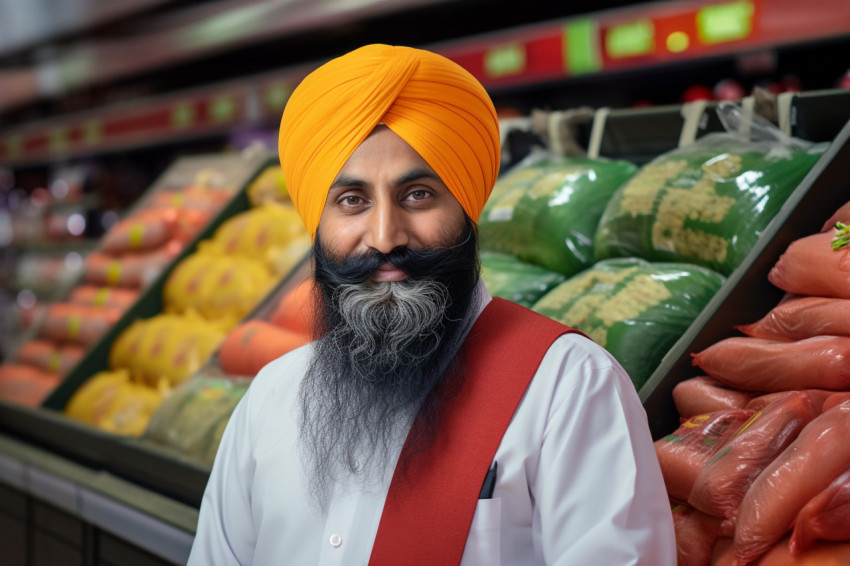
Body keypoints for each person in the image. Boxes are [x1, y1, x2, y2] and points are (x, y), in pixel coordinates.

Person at [188, 44, 675, 565]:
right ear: (317, 221)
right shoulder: (271, 398)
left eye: (418, 194)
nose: (384, 237)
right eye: (352, 200)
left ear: (466, 207)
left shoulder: (568, 386)